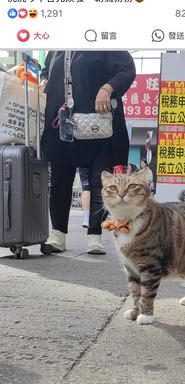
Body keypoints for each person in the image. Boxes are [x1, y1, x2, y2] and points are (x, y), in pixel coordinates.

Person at [39, 51, 136, 254]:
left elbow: (127, 68)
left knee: (98, 181)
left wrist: (107, 88)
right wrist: (45, 80)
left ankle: (95, 235)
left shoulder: (103, 44)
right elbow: (46, 69)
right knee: (59, 180)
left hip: (98, 125)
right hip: (62, 124)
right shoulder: (56, 48)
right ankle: (57, 234)